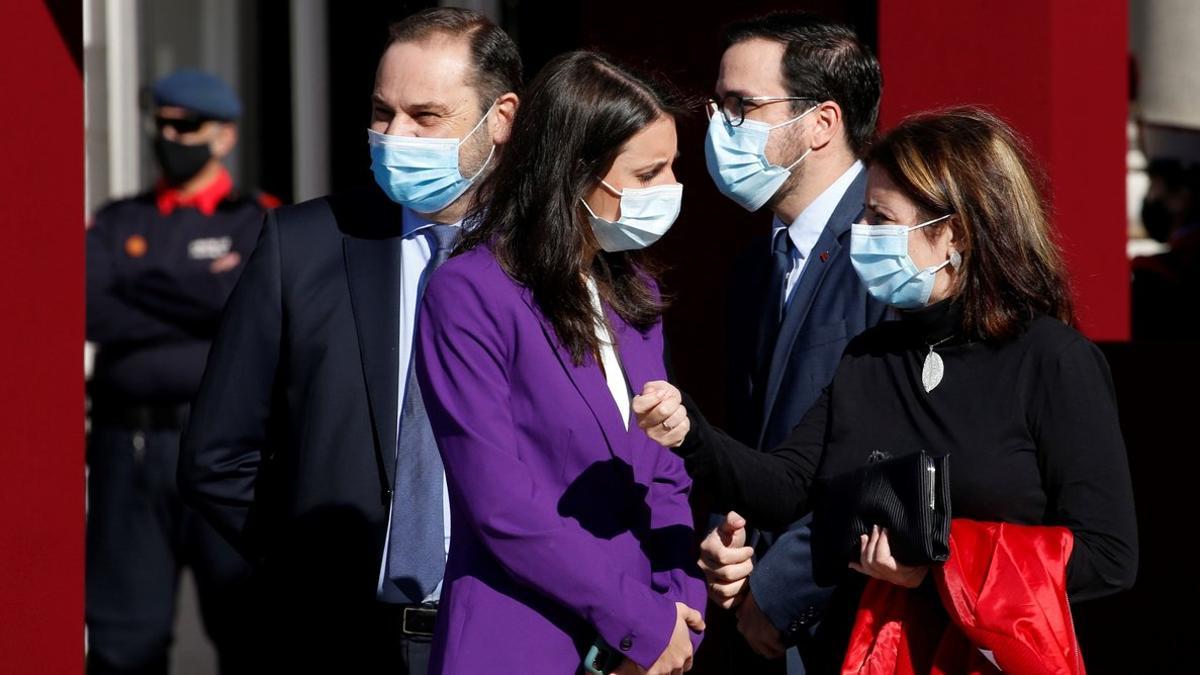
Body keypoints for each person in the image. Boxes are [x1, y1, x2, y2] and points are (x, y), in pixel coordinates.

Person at [635, 107, 1138, 673]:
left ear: (954, 232)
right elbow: (785, 485)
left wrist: (938, 568)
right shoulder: (871, 356)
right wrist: (690, 432)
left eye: (879, 217)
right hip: (854, 654)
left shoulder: (1052, 361)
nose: (860, 234)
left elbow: (1109, 556)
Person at [177, 8, 520, 672]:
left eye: (425, 116)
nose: (395, 135)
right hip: (341, 635)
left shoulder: (552, 257)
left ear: (500, 117)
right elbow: (216, 457)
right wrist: (309, 564)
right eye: (381, 112)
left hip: (511, 629)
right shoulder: (303, 245)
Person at [414, 51, 706, 674]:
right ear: (574, 173)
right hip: (520, 639)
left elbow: (662, 471)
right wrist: (639, 622)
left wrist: (682, 603)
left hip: (648, 646)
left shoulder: (635, 292)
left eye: (673, 166)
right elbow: (501, 504)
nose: (671, 189)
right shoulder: (469, 292)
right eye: (649, 172)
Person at [698, 12, 886, 673]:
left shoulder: (887, 247)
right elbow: (754, 439)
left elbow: (884, 454)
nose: (721, 126)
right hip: (763, 629)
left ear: (822, 123)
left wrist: (779, 590)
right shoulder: (757, 266)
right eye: (719, 104)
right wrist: (730, 535)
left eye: (742, 106)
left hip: (850, 619)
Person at [85, 68, 270, 675]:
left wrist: (143, 288)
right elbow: (90, 308)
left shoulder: (259, 221)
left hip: (227, 448)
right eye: (161, 123)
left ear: (224, 137)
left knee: (250, 628)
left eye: (186, 125)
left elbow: (248, 312)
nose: (169, 135)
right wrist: (204, 298)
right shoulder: (118, 222)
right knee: (122, 640)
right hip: (128, 449)